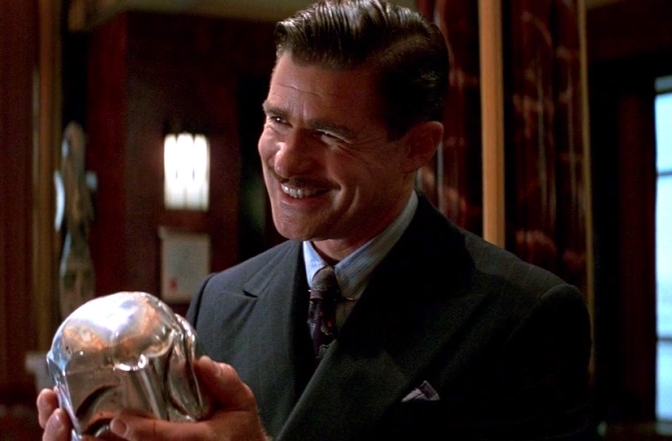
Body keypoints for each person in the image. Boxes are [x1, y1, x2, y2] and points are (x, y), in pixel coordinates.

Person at [37, 0, 593, 439]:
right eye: (277, 120)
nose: (285, 159)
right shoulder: (220, 301)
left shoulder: (524, 317)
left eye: (328, 134)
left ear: (418, 147)